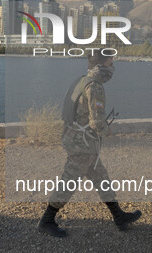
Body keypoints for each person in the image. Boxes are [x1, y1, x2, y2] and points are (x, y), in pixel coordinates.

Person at [38, 53, 142, 237]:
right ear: (102, 64)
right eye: (111, 63)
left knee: (101, 177)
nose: (112, 67)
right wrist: (107, 131)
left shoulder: (82, 80)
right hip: (82, 144)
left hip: (79, 140)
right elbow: (97, 123)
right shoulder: (95, 86)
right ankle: (46, 220)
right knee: (68, 181)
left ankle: (118, 216)